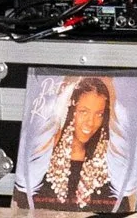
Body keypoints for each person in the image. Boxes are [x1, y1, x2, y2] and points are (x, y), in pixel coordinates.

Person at [32, 76, 119, 210]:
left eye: (99, 114)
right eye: (84, 112)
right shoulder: (43, 157)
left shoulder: (109, 166)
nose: (90, 122)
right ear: (72, 108)